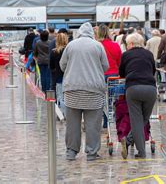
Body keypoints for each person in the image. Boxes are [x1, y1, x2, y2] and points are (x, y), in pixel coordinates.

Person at [60, 22, 109, 161]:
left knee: (72, 125)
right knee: (93, 124)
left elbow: (62, 65)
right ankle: (92, 153)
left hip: (72, 90)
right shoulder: (98, 46)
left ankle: (71, 152)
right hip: (93, 91)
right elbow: (105, 66)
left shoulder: (71, 45)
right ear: (92, 33)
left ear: (79, 32)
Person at [119, 33, 157, 159]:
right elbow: (153, 71)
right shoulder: (149, 54)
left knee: (136, 121)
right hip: (150, 89)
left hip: (133, 88)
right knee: (144, 119)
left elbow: (121, 73)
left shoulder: (126, 55)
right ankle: (129, 142)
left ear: (130, 44)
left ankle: (140, 151)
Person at [98, 24, 122, 129]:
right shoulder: (116, 45)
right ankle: (116, 118)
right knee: (114, 97)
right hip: (114, 75)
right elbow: (120, 61)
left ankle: (105, 120)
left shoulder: (97, 45)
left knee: (102, 98)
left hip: (100, 74)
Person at [49, 32, 69, 116]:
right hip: (68, 76)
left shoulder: (54, 52)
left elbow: (51, 65)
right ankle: (68, 114)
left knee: (60, 96)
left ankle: (61, 114)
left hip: (58, 76)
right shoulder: (68, 51)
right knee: (68, 97)